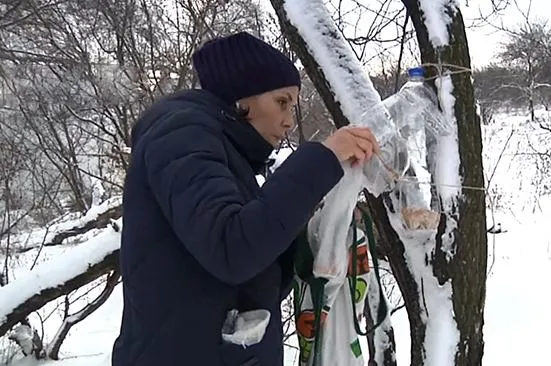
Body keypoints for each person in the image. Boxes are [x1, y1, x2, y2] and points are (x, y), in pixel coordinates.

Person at [111, 31, 379, 366]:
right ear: (241, 98)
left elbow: (250, 262)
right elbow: (232, 247)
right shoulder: (180, 134)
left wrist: (320, 231)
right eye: (282, 102)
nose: (288, 121)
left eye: (292, 107)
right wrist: (323, 158)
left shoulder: (221, 151)